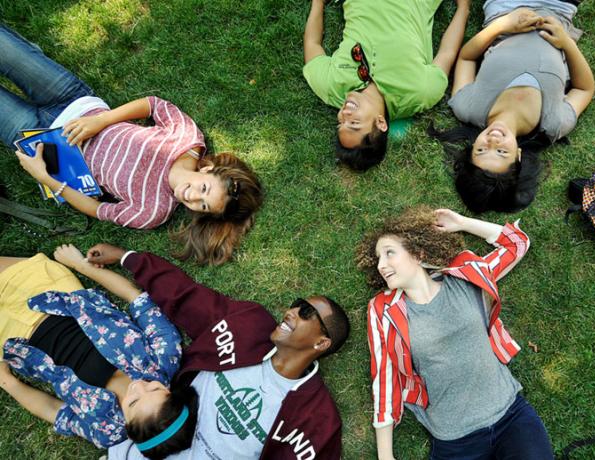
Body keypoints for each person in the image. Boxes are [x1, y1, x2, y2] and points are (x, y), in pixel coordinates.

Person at [0, 24, 263, 265]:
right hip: (72, 100)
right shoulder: (188, 140)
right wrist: (102, 120)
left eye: (202, 206)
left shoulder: (152, 212)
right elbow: (153, 104)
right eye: (204, 189)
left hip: (43, 141)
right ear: (207, 171)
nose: (193, 197)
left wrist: (44, 177)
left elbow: (96, 209)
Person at [80, 243, 351, 460]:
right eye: (296, 304)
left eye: (306, 313)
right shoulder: (249, 325)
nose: (291, 312)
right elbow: (187, 297)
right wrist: (128, 257)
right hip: (139, 446)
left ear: (321, 343)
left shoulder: (316, 417)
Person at [356, 207, 553, 460]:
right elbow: (384, 378)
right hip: (455, 441)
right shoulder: (383, 310)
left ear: (417, 254)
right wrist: (386, 456)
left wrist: (462, 223)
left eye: (389, 253)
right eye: (378, 258)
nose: (382, 265)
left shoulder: (464, 277)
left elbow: (517, 243)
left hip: (511, 418)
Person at [0, 245, 196, 459]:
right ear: (170, 393)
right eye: (154, 388)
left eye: (133, 402)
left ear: (127, 426)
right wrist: (81, 265)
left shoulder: (106, 430)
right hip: (49, 293)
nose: (139, 386)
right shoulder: (164, 357)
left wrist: (8, 383)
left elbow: (54, 411)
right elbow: (135, 297)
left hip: (16, 340)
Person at [431, 0, 594, 213]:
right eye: (500, 151)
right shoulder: (553, 123)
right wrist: (566, 43)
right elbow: (584, 90)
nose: (492, 140)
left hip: (503, 7)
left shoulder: (468, 107)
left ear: (471, 148)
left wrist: (502, 25)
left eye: (481, 149)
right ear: (518, 156)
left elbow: (466, 58)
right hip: (558, 8)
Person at [303, 0, 471, 171]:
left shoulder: (331, 86)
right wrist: (463, 8)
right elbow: (447, 52)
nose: (345, 113)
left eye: (341, 122)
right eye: (354, 122)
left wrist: (318, 3)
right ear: (381, 123)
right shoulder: (420, 92)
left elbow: (312, 44)